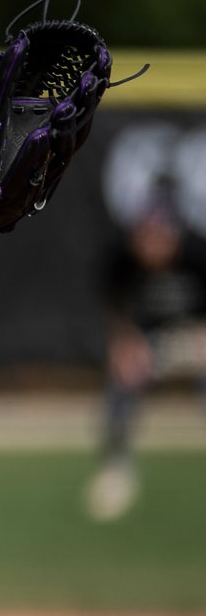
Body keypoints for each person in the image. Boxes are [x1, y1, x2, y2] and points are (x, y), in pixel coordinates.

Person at [85, 181, 206, 522]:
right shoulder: (122, 259)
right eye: (144, 236)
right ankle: (116, 469)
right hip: (151, 341)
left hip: (196, 337)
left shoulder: (198, 255)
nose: (150, 245)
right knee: (121, 385)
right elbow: (114, 309)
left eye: (158, 236)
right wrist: (124, 343)